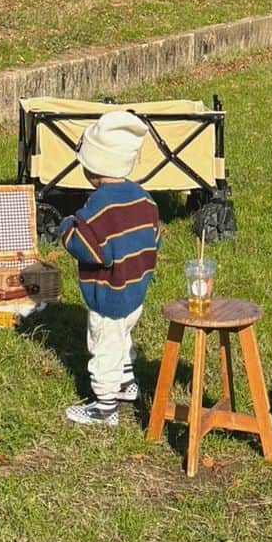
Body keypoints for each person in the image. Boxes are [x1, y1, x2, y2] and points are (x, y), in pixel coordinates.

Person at [59, 111, 161, 426]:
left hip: (108, 296)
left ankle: (105, 405)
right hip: (135, 291)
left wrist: (66, 227)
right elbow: (154, 239)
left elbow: (88, 248)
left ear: (94, 166)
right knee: (123, 336)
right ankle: (127, 381)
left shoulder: (97, 208)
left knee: (104, 344)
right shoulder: (144, 199)